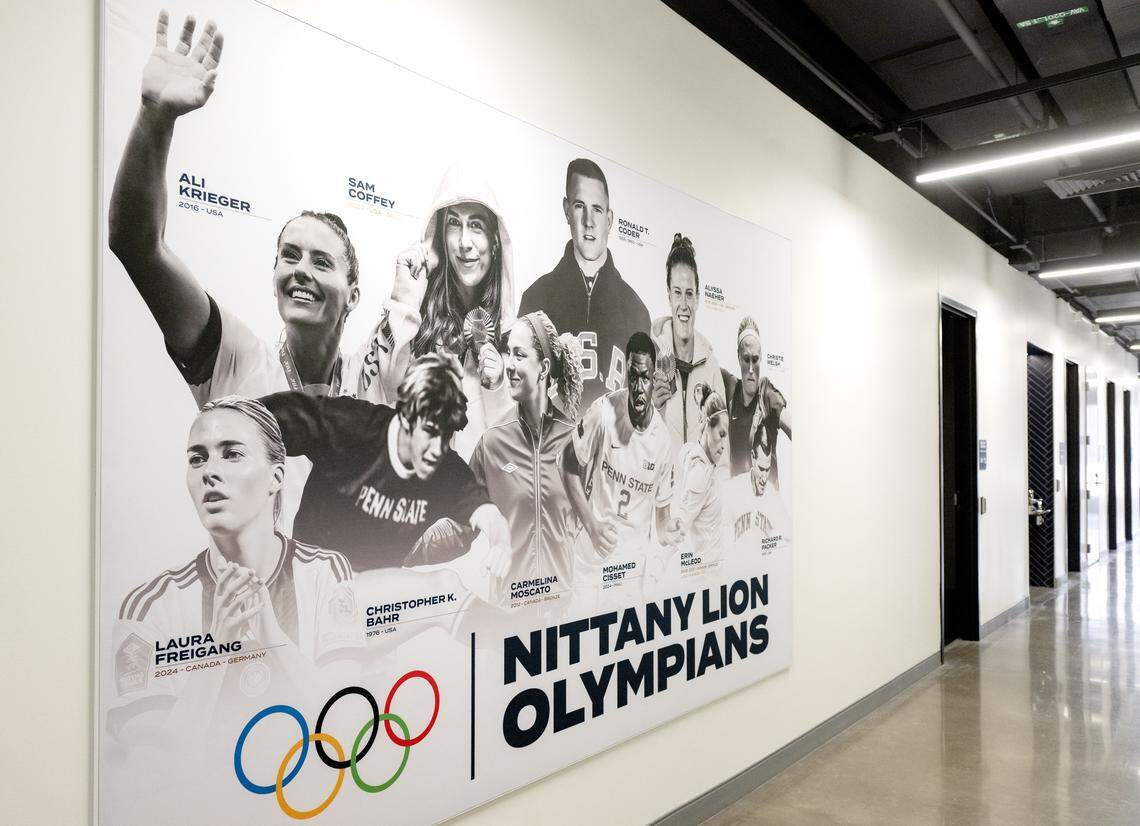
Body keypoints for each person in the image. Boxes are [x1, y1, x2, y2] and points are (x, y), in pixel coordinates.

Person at [107, 12, 363, 531]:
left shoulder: (369, 383)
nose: (301, 271)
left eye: (321, 261)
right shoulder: (239, 362)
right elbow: (137, 247)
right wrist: (156, 116)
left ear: (353, 294)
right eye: (289, 256)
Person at [109, 397, 362, 742]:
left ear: (276, 477)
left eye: (231, 454)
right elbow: (152, 763)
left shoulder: (325, 572)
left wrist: (274, 639)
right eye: (197, 458)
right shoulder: (150, 607)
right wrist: (217, 649)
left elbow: (349, 726)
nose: (209, 472)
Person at [261, 353, 512, 579]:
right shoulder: (351, 425)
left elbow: (489, 515)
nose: (437, 448)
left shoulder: (445, 467)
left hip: (372, 594)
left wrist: (501, 544)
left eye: (445, 434)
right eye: (430, 431)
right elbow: (258, 416)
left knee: (446, 583)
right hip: (309, 579)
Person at [351, 165, 515, 461]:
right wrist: (404, 299)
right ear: (440, 235)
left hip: (478, 488)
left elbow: (515, 450)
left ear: (494, 240)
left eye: (476, 225)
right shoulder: (414, 323)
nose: (464, 242)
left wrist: (498, 385)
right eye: (454, 224)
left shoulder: (513, 336)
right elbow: (373, 401)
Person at [469, 311, 583, 601]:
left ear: (543, 368)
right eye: (508, 353)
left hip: (562, 611)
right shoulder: (492, 443)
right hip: (508, 615)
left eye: (519, 355)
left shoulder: (574, 442)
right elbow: (459, 522)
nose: (509, 364)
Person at [518, 158, 650, 407]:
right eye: (580, 206)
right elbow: (521, 401)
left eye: (597, 209)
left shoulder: (636, 311)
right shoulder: (536, 300)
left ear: (609, 219)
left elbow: (639, 411)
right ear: (567, 210)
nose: (589, 221)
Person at [563, 333, 684, 597]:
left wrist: (670, 530)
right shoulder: (603, 412)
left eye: (645, 378)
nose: (639, 387)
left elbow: (661, 523)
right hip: (590, 566)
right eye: (633, 376)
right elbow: (568, 464)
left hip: (630, 574)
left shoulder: (662, 442)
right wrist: (591, 525)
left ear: (654, 378)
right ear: (626, 375)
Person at [651, 234, 726, 465]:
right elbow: (632, 443)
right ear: (668, 295)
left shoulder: (711, 367)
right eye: (677, 292)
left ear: (698, 298)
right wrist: (653, 408)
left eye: (689, 293)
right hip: (663, 487)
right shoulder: (651, 359)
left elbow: (723, 450)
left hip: (699, 487)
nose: (683, 304)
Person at [721, 317, 791, 483]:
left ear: (761, 358)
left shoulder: (767, 394)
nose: (751, 369)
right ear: (738, 357)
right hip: (738, 497)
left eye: (755, 359)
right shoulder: (731, 389)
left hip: (766, 497)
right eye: (746, 359)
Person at [671, 382, 730, 559]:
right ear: (707, 425)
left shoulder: (693, 454)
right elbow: (680, 525)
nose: (723, 445)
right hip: (706, 569)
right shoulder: (700, 472)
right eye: (721, 434)